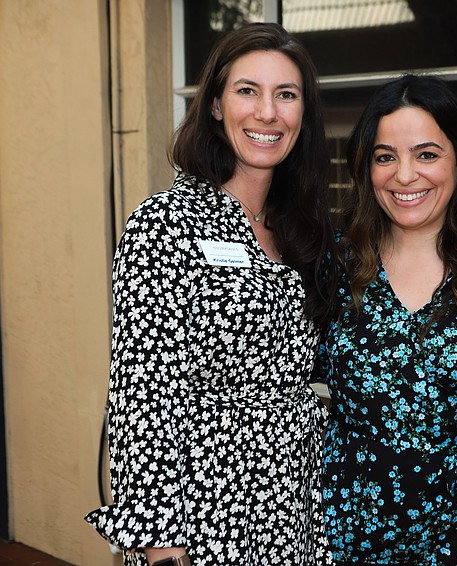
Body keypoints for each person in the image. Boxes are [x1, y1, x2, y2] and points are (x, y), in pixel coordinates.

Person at [85, 23, 336, 565]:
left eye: (286, 95)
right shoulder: (165, 224)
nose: (267, 112)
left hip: (294, 513)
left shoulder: (304, 232)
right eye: (248, 90)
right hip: (202, 521)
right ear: (217, 106)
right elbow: (143, 397)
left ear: (302, 115)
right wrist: (159, 546)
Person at [316, 74, 457, 565]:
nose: (404, 175)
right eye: (385, 157)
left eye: (426, 154)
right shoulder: (333, 266)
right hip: (344, 542)